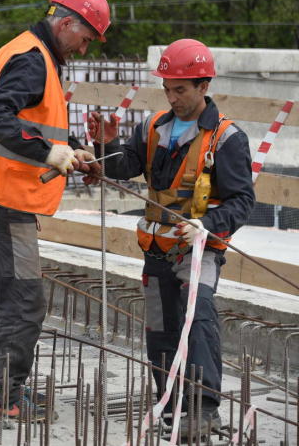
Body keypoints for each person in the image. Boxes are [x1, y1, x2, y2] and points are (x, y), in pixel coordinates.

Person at [0, 0, 111, 419]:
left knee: (12, 293)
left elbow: (35, 122)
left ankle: (1, 389)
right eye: (85, 38)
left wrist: (72, 148)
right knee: (24, 298)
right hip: (7, 196)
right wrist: (48, 153)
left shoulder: (33, 53)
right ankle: (5, 395)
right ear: (65, 23)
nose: (85, 48)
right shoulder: (32, 59)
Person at [87, 38, 254, 440]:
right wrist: (106, 145)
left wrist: (208, 224)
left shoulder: (226, 139)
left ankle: (203, 410)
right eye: (167, 88)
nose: (171, 96)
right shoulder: (153, 126)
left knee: (197, 320)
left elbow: (243, 200)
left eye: (180, 89)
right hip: (158, 248)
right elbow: (127, 165)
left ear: (203, 86)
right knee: (161, 328)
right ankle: (170, 403)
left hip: (200, 251)